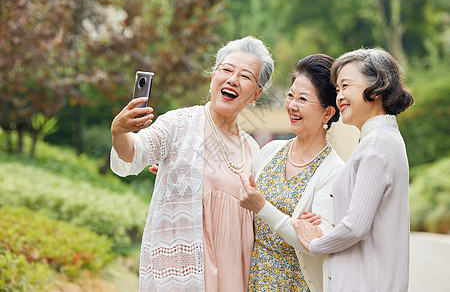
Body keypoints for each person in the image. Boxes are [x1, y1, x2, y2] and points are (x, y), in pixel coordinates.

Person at [110, 36, 274, 291]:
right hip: (183, 276)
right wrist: (119, 132)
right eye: (227, 70)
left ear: (256, 94)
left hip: (234, 275)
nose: (232, 79)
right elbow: (133, 153)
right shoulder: (179, 124)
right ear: (213, 77)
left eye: (245, 76)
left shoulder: (252, 149)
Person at [291, 48, 414, 291]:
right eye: (337, 89)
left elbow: (354, 227)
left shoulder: (376, 145)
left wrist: (315, 242)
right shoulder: (382, 139)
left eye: (346, 86)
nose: (339, 96)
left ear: (378, 87)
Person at [238, 54, 345, 292]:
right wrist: (182, 170)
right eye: (290, 96)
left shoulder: (335, 172)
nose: (292, 106)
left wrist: (262, 207)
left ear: (327, 113)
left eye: (303, 99)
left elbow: (315, 243)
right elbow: (235, 186)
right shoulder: (270, 151)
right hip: (252, 282)